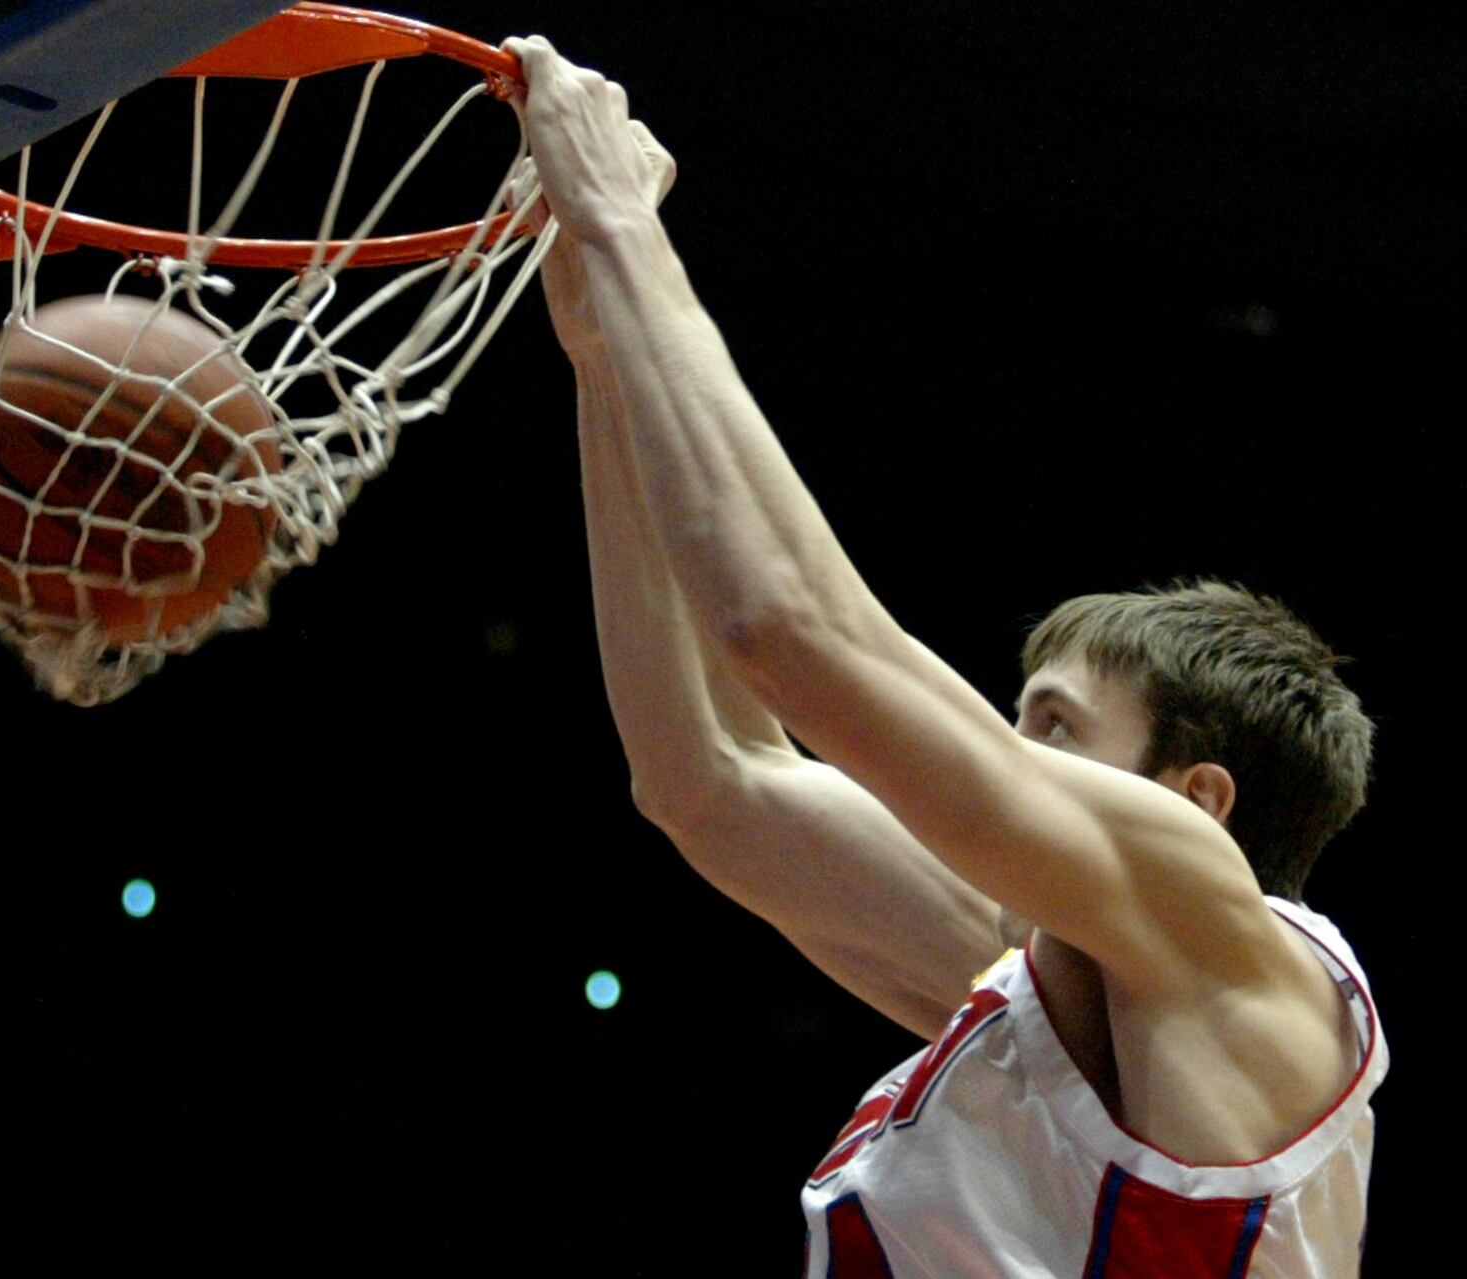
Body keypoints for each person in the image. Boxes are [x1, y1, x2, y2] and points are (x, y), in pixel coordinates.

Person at [504, 35, 1387, 1277]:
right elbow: (706, 780)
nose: (998, 753)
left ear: (1194, 802)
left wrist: (619, 225)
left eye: (1052, 726)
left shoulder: (1219, 930)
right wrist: (603, 354)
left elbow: (793, 637)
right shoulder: (1061, 993)